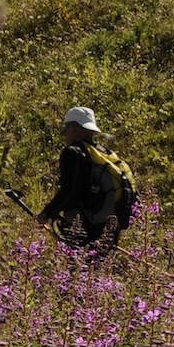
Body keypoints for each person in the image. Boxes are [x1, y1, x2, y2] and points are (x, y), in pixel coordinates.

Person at [37, 106, 135, 257]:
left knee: (78, 271)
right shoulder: (106, 154)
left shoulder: (73, 153)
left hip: (84, 227)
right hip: (111, 228)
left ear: (73, 128)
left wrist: (46, 213)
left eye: (66, 128)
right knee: (99, 273)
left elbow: (70, 192)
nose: (65, 135)